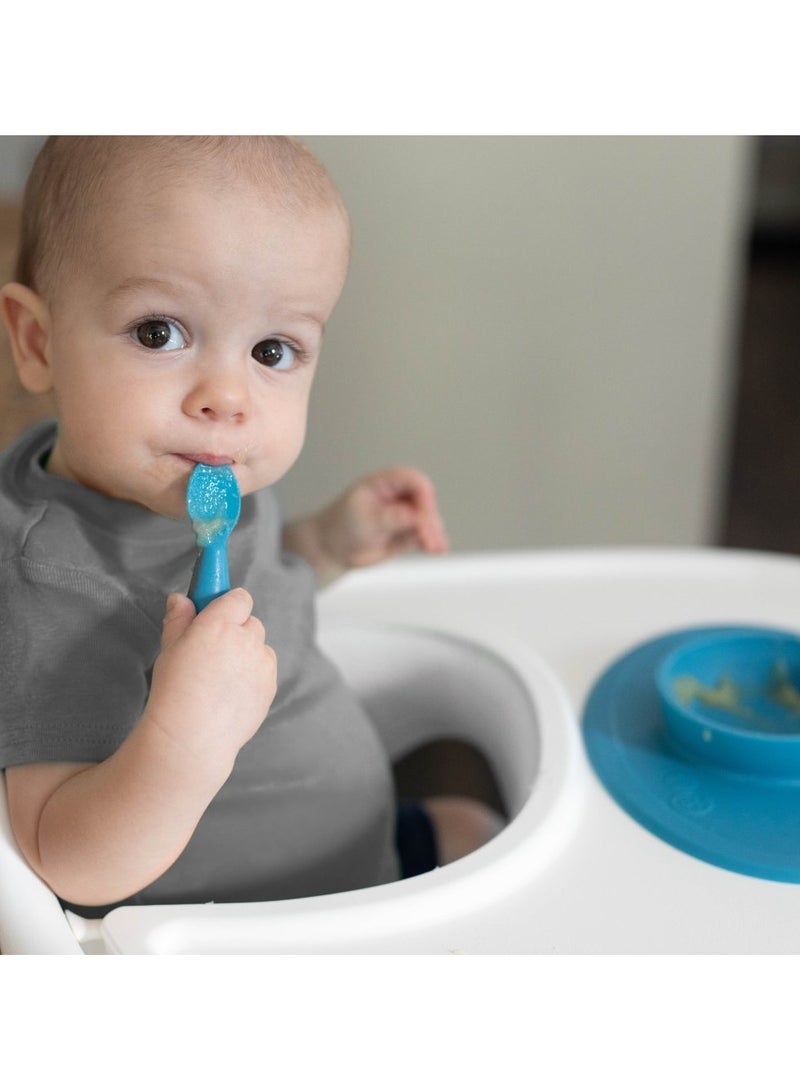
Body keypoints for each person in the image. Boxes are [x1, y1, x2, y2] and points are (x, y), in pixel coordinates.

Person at [0, 136, 502, 916]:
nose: (228, 394)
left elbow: (253, 579)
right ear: (37, 343)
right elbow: (55, 859)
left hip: (350, 855)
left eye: (274, 349)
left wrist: (325, 543)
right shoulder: (48, 585)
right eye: (159, 332)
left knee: (479, 830)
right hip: (252, 926)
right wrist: (185, 741)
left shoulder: (195, 483)